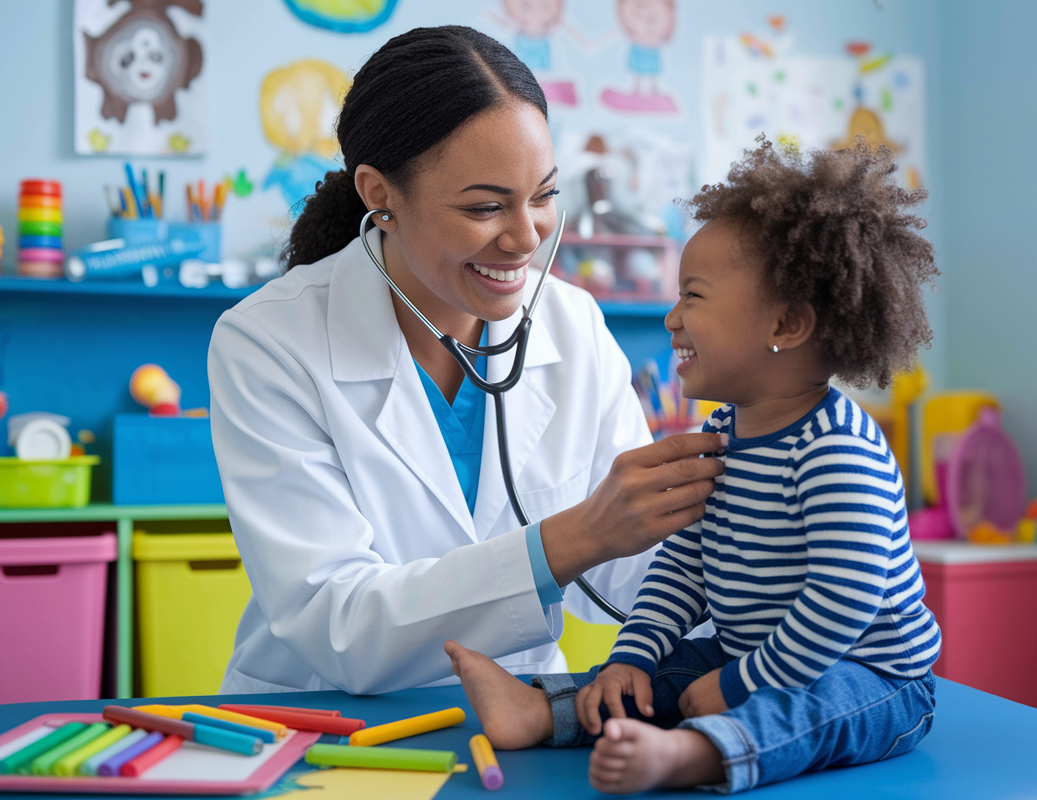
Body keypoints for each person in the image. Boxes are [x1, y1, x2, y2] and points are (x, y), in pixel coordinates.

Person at [207, 25, 726, 696]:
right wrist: (567, 540)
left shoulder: (572, 326)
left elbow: (632, 575)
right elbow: (338, 625)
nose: (525, 236)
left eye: (543, 196)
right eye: (486, 206)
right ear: (379, 194)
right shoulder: (269, 341)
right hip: (322, 722)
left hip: (520, 720)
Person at [446, 138, 944, 794]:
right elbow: (685, 565)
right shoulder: (717, 436)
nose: (671, 317)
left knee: (815, 709)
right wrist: (634, 656)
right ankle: (543, 711)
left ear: (788, 323)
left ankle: (701, 757)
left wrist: (741, 683)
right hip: (753, 655)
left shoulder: (836, 450)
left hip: (871, 673)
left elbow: (841, 600)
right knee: (668, 673)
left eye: (694, 297)